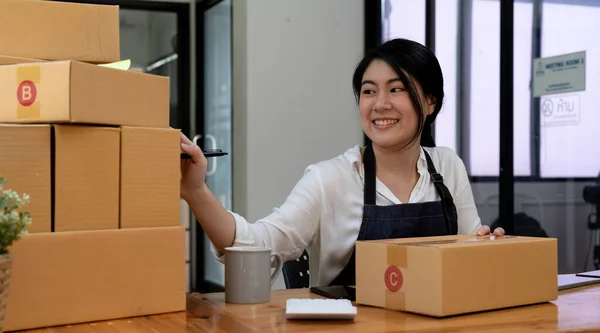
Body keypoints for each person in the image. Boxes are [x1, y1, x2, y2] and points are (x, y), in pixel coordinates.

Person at [180, 38, 504, 287]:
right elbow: (259, 244)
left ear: (430, 101)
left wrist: (490, 247)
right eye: (368, 91)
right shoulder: (330, 179)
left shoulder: (448, 167)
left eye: (397, 89)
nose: (380, 104)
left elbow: (469, 251)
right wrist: (196, 191)